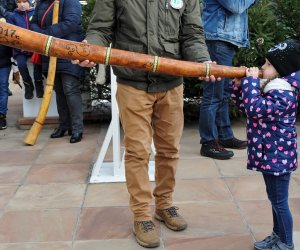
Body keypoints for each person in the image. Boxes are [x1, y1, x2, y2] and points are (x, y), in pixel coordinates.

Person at [73, 0, 215, 248]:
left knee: (170, 149)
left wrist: (202, 61)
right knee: (137, 151)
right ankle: (141, 215)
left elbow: (192, 33)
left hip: (172, 83)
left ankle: (165, 204)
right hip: (133, 83)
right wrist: (90, 49)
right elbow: (100, 29)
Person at [231, 39, 300, 250]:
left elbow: (255, 108)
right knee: (274, 200)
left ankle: (286, 243)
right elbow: (247, 105)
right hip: (269, 154)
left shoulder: (284, 94)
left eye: (268, 64)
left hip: (278, 158)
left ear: (281, 71)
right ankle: (277, 235)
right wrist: (237, 86)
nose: (262, 67)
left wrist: (250, 82)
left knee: (279, 202)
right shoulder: (272, 88)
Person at [199, 0, 258, 160]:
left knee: (222, 93)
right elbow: (236, 6)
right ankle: (208, 142)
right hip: (217, 38)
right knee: (213, 94)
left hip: (226, 39)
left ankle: (224, 135)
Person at [30, 0, 85, 143]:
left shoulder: (70, 1)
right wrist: (41, 35)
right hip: (48, 52)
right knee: (59, 90)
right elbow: (34, 22)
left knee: (70, 89)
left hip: (68, 50)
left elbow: (72, 22)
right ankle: (64, 125)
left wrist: (48, 34)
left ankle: (77, 128)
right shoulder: (41, 3)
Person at [1, 0, 44, 99]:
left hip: (35, 48)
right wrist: (19, 46)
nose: (22, 4)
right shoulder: (12, 16)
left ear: (29, 3)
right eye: (19, 2)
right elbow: (11, 35)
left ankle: (38, 84)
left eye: (24, 1)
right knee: (21, 65)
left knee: (37, 65)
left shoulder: (35, 13)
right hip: (20, 49)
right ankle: (28, 85)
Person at [0, 14, 12, 129]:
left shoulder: (4, 23)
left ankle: (1, 116)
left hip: (3, 64)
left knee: (3, 89)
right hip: (4, 62)